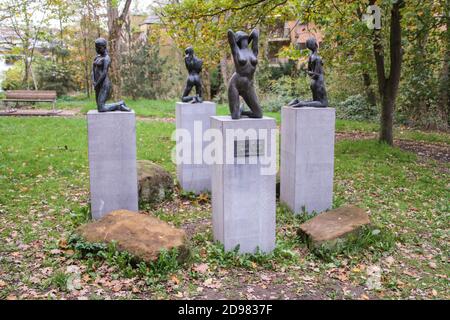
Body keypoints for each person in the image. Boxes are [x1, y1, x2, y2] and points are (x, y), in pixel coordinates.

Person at [227, 29, 263, 119]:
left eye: (246, 38)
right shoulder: (236, 51)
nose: (245, 40)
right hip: (235, 84)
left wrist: (248, 38)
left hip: (248, 85)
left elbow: (255, 32)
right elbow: (229, 32)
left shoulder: (253, 52)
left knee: (258, 114)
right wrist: (239, 38)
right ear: (238, 40)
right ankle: (237, 111)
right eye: (243, 38)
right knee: (235, 116)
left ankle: (241, 111)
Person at [288, 37, 328, 108]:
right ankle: (302, 104)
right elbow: (316, 74)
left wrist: (311, 73)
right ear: (316, 44)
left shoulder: (310, 57)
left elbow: (309, 71)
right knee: (323, 103)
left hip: (313, 82)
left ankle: (298, 101)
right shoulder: (318, 58)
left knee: (315, 100)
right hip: (319, 82)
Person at [92, 38, 130, 112]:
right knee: (99, 106)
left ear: (104, 47)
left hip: (104, 84)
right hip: (97, 84)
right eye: (96, 47)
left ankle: (119, 105)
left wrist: (97, 83)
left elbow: (104, 73)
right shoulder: (97, 57)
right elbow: (92, 70)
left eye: (99, 47)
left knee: (101, 108)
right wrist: (93, 81)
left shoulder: (107, 58)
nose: (97, 49)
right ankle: (120, 104)